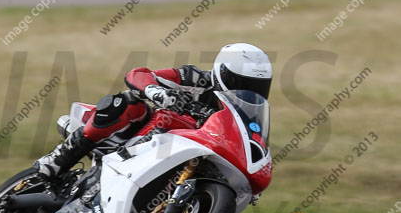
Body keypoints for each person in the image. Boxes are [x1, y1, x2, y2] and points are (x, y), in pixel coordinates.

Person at [35, 42, 272, 178]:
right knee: (129, 103)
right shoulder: (197, 80)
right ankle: (60, 158)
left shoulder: (245, 116)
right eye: (241, 83)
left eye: (256, 87)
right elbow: (137, 74)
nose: (247, 91)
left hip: (184, 159)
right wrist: (155, 91)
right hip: (146, 137)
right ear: (222, 73)